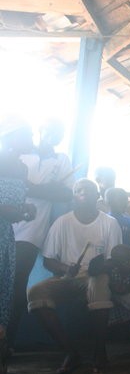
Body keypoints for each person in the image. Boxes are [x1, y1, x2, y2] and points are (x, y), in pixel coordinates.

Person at [27, 178, 122, 374]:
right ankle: (71, 352)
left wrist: (100, 267)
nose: (83, 193)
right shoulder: (62, 222)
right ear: (73, 196)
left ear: (97, 196)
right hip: (68, 278)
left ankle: (99, 351)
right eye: (78, 190)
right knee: (35, 292)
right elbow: (48, 260)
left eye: (88, 190)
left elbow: (114, 259)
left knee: (99, 283)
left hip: (95, 276)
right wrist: (64, 268)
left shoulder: (110, 223)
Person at [8, 118, 74, 349]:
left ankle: (7, 347)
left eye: (59, 132)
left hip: (34, 228)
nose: (54, 134)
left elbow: (66, 194)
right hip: (7, 223)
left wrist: (33, 188)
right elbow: (16, 184)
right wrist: (46, 190)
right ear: (40, 128)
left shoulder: (62, 160)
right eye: (51, 128)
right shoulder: (22, 153)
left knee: (17, 286)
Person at [0, 117, 37, 373]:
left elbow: (13, 210)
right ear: (12, 137)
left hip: (5, 237)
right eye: (27, 135)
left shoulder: (22, 169)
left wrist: (24, 211)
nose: (31, 141)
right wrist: (19, 210)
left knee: (4, 293)